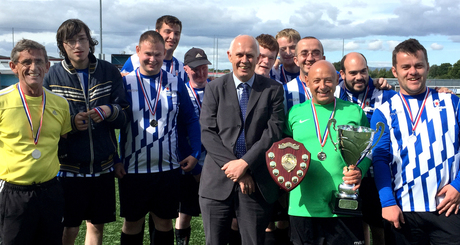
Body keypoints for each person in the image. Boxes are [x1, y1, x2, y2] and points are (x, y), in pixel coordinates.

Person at [43, 19, 130, 245]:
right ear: (62, 46)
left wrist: (109, 110)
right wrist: (70, 123)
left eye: (81, 39)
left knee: (96, 227)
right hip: (67, 168)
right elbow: (44, 122)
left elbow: (124, 116)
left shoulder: (108, 71)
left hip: (102, 167)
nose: (77, 45)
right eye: (70, 41)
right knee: (69, 229)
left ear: (90, 42)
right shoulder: (52, 76)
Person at [371, 38, 460, 245]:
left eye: (418, 65)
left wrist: (458, 185)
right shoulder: (383, 111)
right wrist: (387, 202)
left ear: (427, 68)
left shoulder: (452, 103)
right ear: (395, 71)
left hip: (449, 208)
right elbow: (380, 159)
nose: (413, 71)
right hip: (402, 211)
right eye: (406, 67)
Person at [199, 35, 285, 245]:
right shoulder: (214, 87)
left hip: (256, 182)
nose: (244, 60)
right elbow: (208, 133)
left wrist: (245, 164)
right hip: (216, 183)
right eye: (240, 55)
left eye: (250, 55)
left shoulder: (273, 89)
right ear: (230, 56)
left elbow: (273, 133)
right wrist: (235, 169)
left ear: (257, 58)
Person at [119, 31, 201, 245]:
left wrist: (195, 153)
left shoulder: (175, 82)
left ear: (164, 53)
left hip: (168, 169)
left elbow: (191, 119)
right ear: (138, 52)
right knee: (132, 224)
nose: (153, 59)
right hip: (133, 169)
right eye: (147, 54)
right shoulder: (125, 83)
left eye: (157, 54)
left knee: (164, 224)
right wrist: (115, 159)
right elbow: (112, 126)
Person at [285, 60, 370, 245]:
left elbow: (368, 151)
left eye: (328, 80)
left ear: (337, 79)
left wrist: (360, 169)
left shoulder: (354, 112)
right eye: (316, 81)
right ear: (306, 80)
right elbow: (284, 152)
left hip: (344, 206)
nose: (322, 86)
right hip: (303, 207)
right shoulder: (294, 113)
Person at [0, 39, 72, 244]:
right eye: (26, 62)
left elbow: (62, 140)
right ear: (14, 67)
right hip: (13, 193)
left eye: (39, 62)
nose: (34, 68)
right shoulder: (2, 101)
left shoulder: (60, 104)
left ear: (47, 66)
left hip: (50, 191)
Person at [175, 47, 211, 245]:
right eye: (196, 69)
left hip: (214, 162)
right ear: (186, 69)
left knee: (214, 212)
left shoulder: (216, 90)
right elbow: (178, 132)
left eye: (204, 68)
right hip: (188, 162)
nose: (201, 73)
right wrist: (195, 164)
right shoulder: (181, 92)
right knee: (184, 212)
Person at [122, 15, 187, 83]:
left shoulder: (181, 67)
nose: (172, 37)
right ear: (157, 33)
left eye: (176, 33)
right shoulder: (134, 61)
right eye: (168, 32)